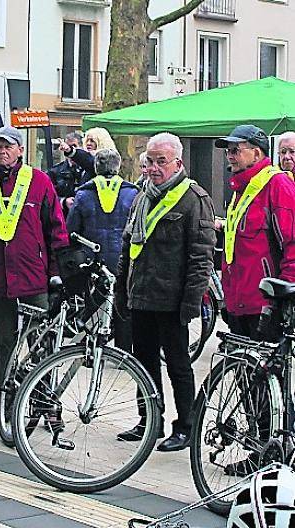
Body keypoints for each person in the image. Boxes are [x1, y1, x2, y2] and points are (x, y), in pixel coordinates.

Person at [0, 125, 68, 427]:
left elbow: (56, 231)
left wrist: (58, 275)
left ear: (21, 150)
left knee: (41, 343)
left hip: (35, 277)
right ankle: (7, 404)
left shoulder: (40, 182)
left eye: (8, 146)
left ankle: (46, 404)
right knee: (4, 344)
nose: (2, 151)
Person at [116, 132, 216, 452]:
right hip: (141, 294)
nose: (154, 167)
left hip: (172, 300)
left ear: (178, 163)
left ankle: (185, 425)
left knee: (178, 366)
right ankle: (149, 421)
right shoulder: (141, 196)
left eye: (162, 161)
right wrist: (121, 290)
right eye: (150, 161)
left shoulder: (194, 199)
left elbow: (202, 257)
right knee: (143, 364)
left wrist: (191, 304)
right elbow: (128, 247)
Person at [218, 125, 295, 338]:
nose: (230, 157)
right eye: (228, 151)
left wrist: (284, 294)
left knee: (265, 368)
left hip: (265, 303)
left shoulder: (277, 184)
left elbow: (292, 242)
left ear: (257, 153)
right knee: (242, 367)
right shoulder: (240, 188)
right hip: (238, 301)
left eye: (236, 150)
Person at [66, 149, 139, 352]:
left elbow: (71, 229)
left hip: (93, 259)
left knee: (94, 302)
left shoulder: (83, 194)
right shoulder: (132, 193)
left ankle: (91, 348)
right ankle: (122, 351)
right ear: (118, 167)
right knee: (121, 305)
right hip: (123, 258)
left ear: (96, 167)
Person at [47, 131, 88, 201]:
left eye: (74, 146)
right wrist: (63, 202)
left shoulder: (88, 170)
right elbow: (48, 196)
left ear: (81, 147)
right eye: (67, 146)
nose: (68, 150)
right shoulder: (54, 172)